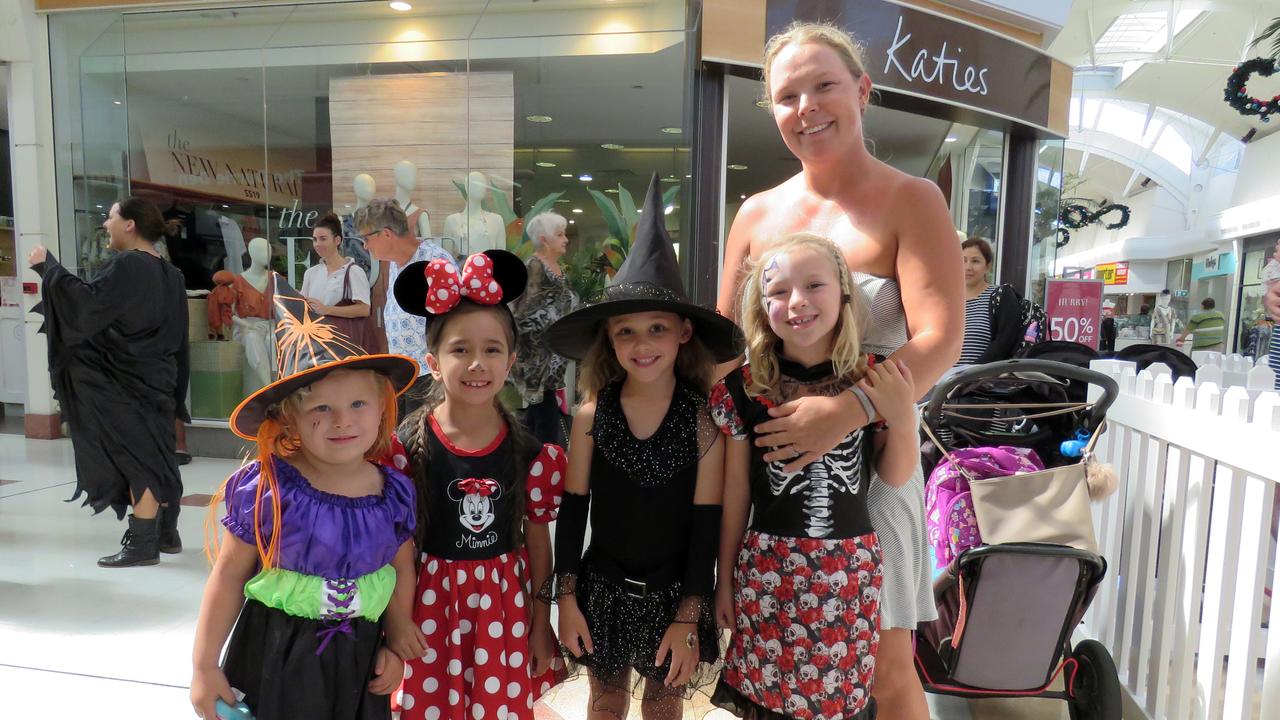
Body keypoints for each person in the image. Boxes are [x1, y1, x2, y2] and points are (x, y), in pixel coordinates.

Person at [714, 22, 962, 719]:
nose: (807, 107)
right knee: (777, 657)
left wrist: (849, 413)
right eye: (788, 95)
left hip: (878, 465)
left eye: (823, 85)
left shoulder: (912, 199)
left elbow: (941, 338)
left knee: (885, 665)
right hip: (771, 472)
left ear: (861, 90)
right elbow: (729, 346)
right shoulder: (756, 213)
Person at [542, 176, 741, 720]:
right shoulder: (590, 416)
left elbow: (705, 522)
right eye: (626, 331)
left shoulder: (703, 422)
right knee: (603, 702)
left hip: (674, 594)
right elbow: (573, 511)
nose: (641, 344)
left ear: (682, 333)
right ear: (608, 338)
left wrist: (687, 614)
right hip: (602, 588)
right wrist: (566, 598)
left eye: (656, 328)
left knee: (663, 703)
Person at [189, 279, 421, 720]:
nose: (341, 421)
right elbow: (228, 576)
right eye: (320, 409)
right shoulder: (269, 490)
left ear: (381, 407)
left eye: (357, 404)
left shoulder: (392, 492)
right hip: (275, 655)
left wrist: (394, 640)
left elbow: (401, 566)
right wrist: (203, 665)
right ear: (289, 417)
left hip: (360, 659)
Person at [710, 233, 918, 720]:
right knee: (766, 702)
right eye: (778, 291)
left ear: (844, 293)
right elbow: (736, 490)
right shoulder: (741, 389)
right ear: (761, 308)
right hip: (766, 570)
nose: (796, 302)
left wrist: (901, 416)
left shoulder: (876, 378)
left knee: (842, 703)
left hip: (850, 574)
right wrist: (724, 580)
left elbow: (893, 473)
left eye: (813, 285)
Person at [389, 249, 566, 720]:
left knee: (497, 708)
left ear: (510, 362)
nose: (476, 364)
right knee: (429, 707)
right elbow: (398, 542)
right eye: (460, 349)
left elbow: (537, 540)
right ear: (431, 360)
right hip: (429, 604)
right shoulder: (405, 447)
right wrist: (396, 617)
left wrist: (539, 621)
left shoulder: (529, 451)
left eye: (491, 350)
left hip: (503, 610)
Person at [28, 196, 190, 567]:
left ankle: (142, 543)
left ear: (130, 224)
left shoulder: (129, 265)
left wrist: (48, 268)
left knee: (138, 457)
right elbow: (177, 337)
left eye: (111, 218)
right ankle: (167, 532)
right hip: (159, 379)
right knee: (156, 453)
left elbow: (88, 306)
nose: (106, 224)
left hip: (128, 382)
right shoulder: (171, 274)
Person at [355, 198, 453, 418]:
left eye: (366, 238)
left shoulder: (434, 260)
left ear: (387, 234)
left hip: (430, 374)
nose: (365, 246)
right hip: (404, 371)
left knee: (426, 438)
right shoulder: (394, 264)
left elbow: (455, 320)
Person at [510, 211, 579, 446]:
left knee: (545, 414)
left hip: (554, 359)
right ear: (544, 239)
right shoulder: (534, 267)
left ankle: (544, 463)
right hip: (537, 360)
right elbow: (522, 313)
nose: (566, 239)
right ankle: (543, 466)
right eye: (559, 235)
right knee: (543, 416)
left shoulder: (558, 268)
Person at [302, 212, 376, 351]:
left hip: (344, 343)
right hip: (317, 343)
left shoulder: (353, 271)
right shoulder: (311, 273)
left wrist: (327, 310)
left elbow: (364, 309)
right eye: (315, 239)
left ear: (337, 240)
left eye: (323, 239)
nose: (317, 244)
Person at [957, 237, 1021, 366]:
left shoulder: (1001, 295)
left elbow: (1004, 343)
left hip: (979, 380)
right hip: (941, 382)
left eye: (975, 261)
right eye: (963, 260)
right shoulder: (948, 300)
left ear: (988, 266)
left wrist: (967, 374)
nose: (968, 267)